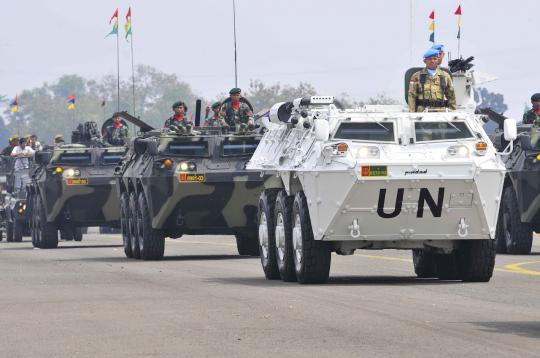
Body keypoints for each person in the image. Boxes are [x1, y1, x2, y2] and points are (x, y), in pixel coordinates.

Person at [408, 48, 456, 112]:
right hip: (422, 112)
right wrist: (411, 113)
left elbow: (451, 94)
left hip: (441, 112)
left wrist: (452, 111)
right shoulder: (416, 76)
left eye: (435, 59)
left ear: (438, 61)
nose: (432, 61)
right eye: (429, 59)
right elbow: (412, 95)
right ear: (425, 61)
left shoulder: (445, 76)